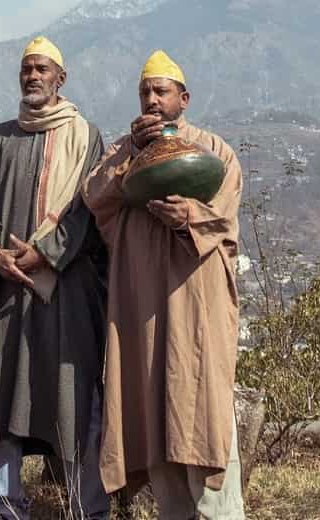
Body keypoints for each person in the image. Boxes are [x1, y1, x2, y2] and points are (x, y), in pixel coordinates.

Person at [82, 50, 245, 519]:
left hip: (197, 312)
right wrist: (133, 153)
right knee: (156, 423)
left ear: (184, 99)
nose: (151, 100)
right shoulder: (123, 152)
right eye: (144, 92)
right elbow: (96, 199)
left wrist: (187, 216)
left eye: (161, 91)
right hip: (143, 314)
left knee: (204, 413)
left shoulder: (214, 151)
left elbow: (224, 217)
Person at [0, 36, 110, 520]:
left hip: (65, 292)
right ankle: (7, 507)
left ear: (60, 78)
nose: (32, 76)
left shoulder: (86, 136)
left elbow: (90, 209)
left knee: (74, 397)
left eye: (42, 68)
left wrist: (45, 253)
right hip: (3, 289)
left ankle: (86, 508)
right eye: (27, 68)